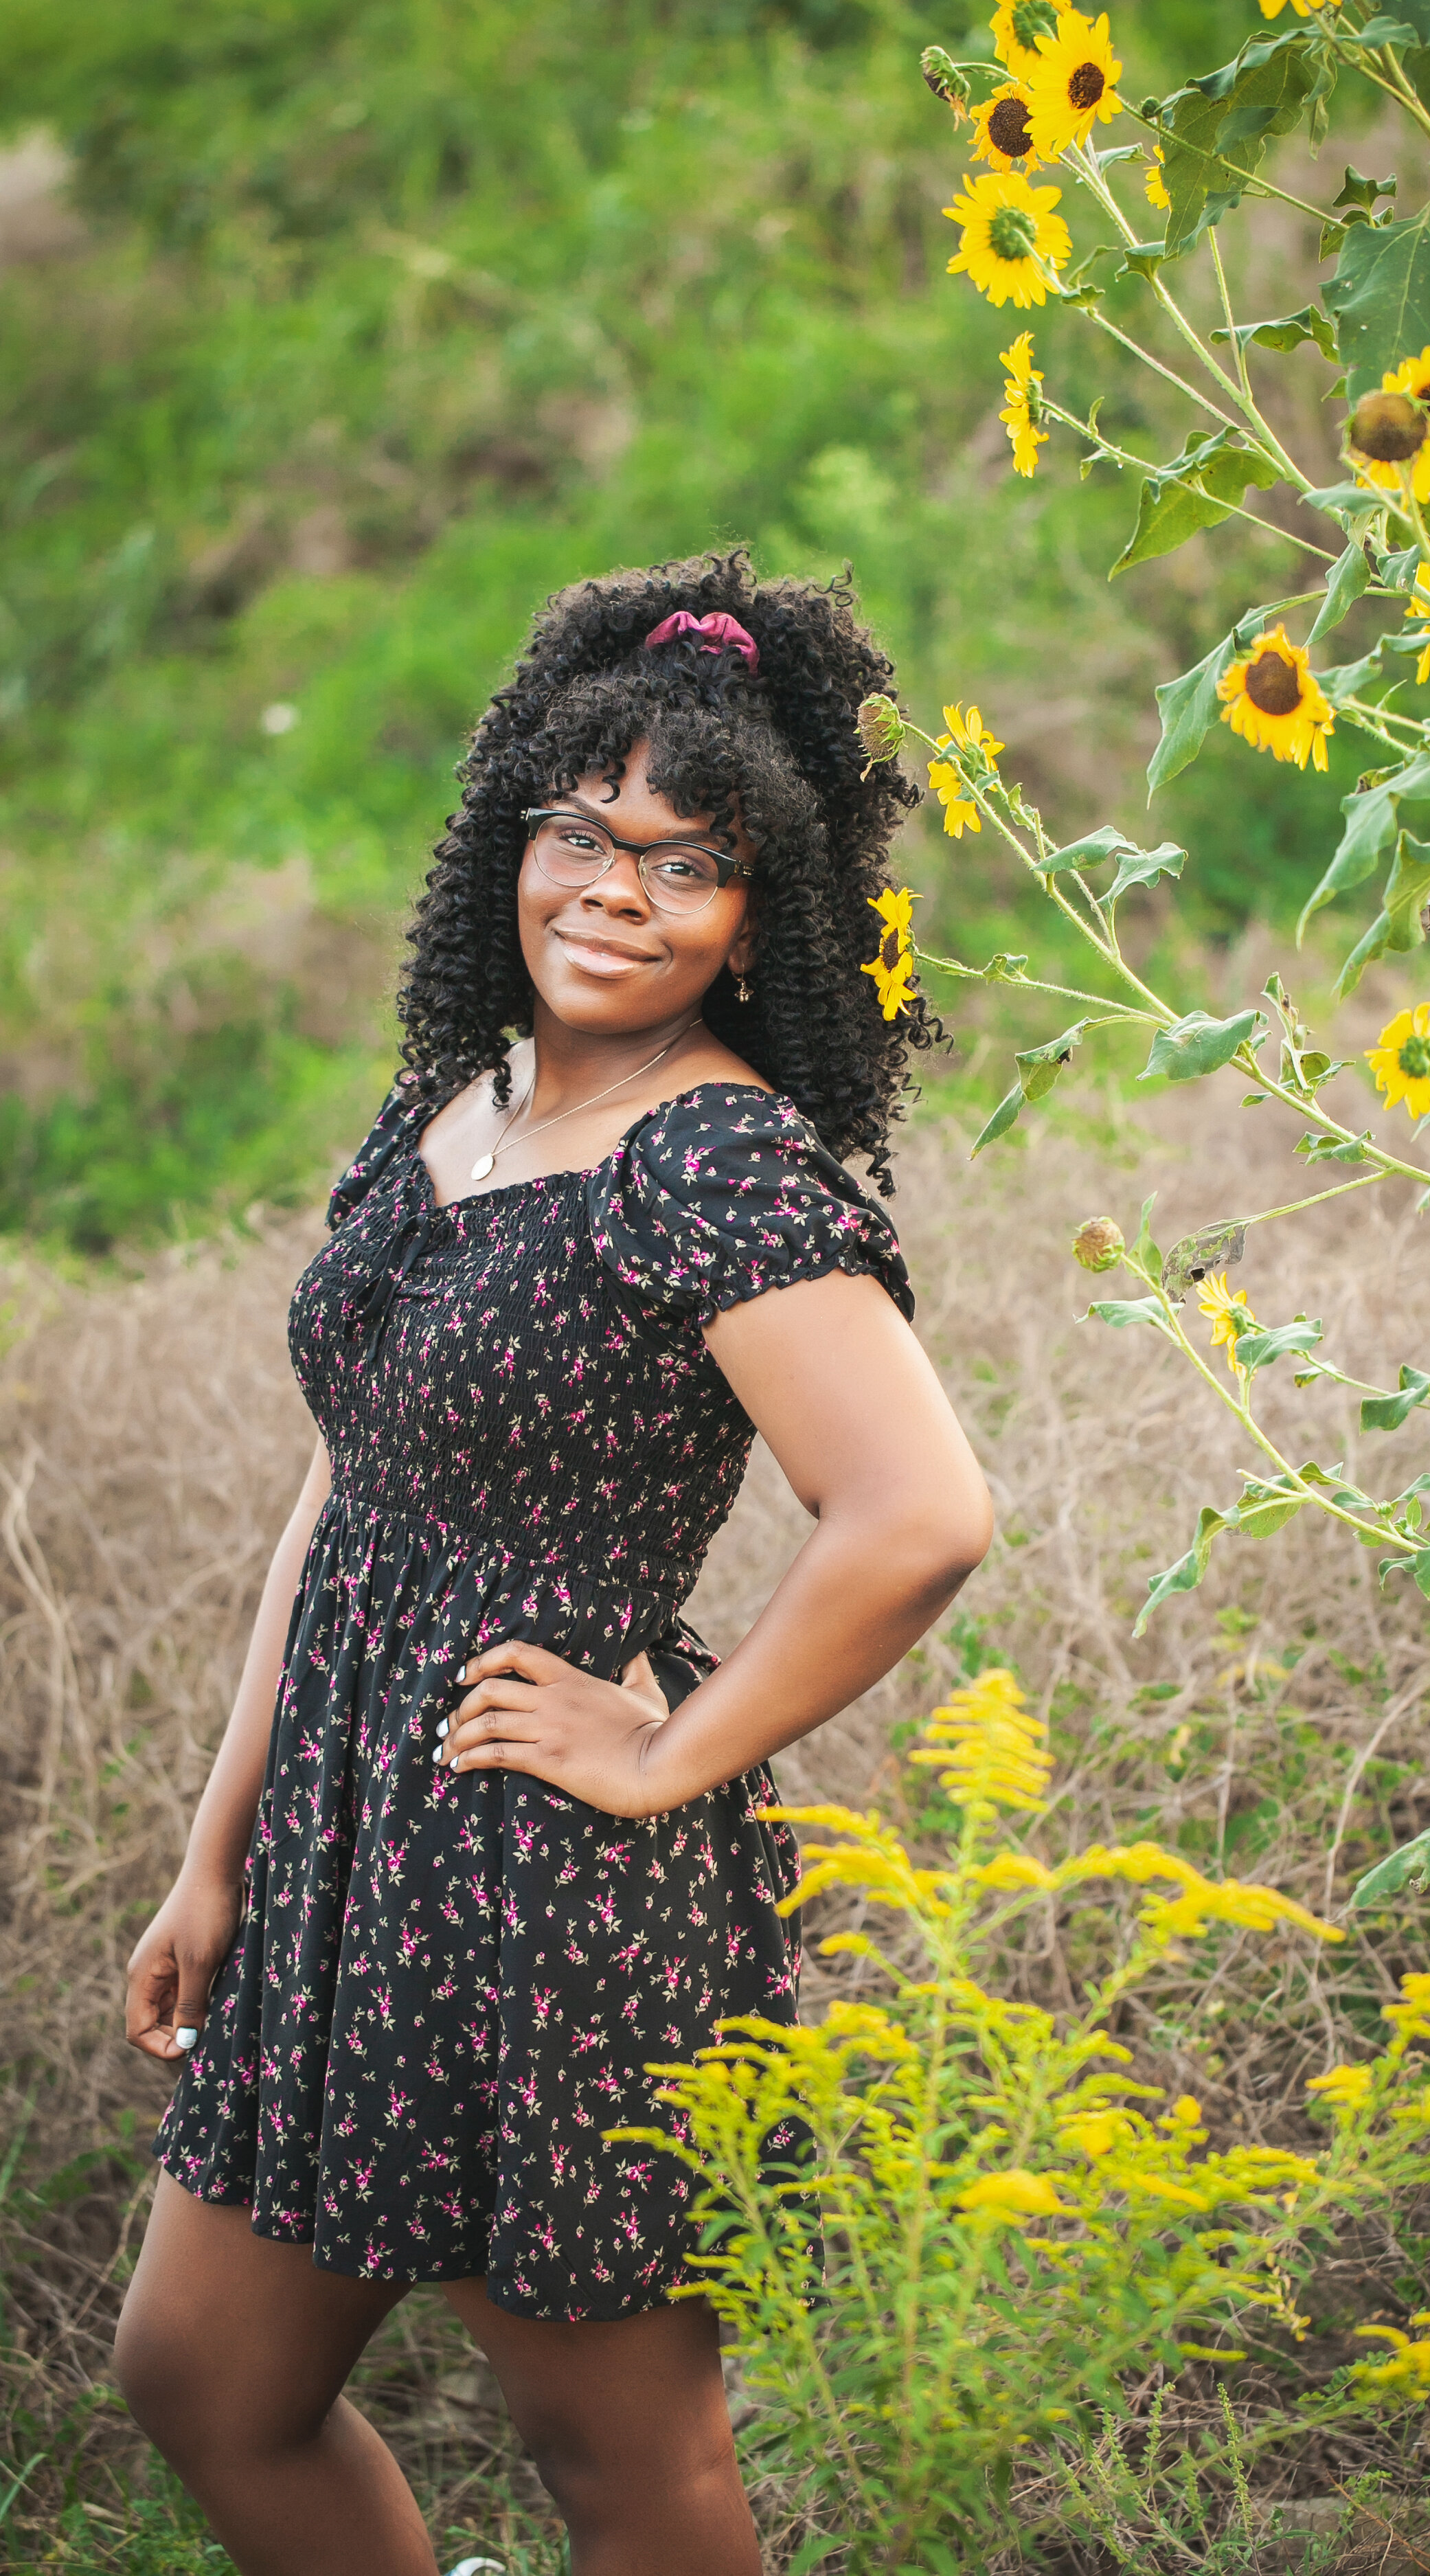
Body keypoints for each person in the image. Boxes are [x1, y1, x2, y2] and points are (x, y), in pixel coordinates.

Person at [113, 553, 993, 2576]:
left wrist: (663, 1750)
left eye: (687, 863)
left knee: (631, 2465)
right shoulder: (463, 1102)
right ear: (511, 841)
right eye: (582, 836)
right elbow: (353, 1495)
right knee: (201, 2380)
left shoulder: (716, 1163)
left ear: (760, 911)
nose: (618, 891)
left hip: (546, 1883)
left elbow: (919, 1514)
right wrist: (223, 1847)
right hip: (343, 1843)